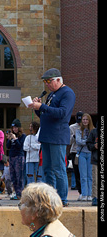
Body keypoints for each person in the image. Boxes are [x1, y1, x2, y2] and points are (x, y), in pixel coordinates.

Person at [28, 68, 76, 206]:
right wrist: (38, 109)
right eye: (45, 82)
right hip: (47, 136)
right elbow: (45, 116)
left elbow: (62, 113)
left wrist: (42, 106)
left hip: (57, 136)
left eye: (49, 81)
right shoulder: (51, 95)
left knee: (58, 169)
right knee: (47, 169)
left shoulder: (67, 93)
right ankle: (50, 199)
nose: (47, 84)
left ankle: (62, 200)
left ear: (59, 80)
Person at [75, 113, 94, 201]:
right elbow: (78, 141)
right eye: (83, 119)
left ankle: (90, 194)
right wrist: (88, 141)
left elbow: (93, 142)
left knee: (90, 175)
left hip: (90, 153)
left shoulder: (93, 130)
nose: (85, 121)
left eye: (87, 119)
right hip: (81, 153)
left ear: (89, 121)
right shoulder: (78, 130)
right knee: (83, 175)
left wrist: (87, 141)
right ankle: (84, 194)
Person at [6, 118, 26, 200]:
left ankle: (20, 193)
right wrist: (9, 139)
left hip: (19, 157)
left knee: (19, 176)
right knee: (13, 176)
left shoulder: (23, 136)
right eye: (13, 128)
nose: (14, 129)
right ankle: (16, 192)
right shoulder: (12, 135)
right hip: (12, 156)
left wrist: (15, 139)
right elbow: (7, 147)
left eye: (16, 128)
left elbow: (20, 146)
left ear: (19, 128)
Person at [69, 111, 84, 200]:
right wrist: (74, 137)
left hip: (84, 151)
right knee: (77, 172)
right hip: (75, 151)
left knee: (85, 173)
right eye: (78, 120)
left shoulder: (86, 126)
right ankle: (80, 192)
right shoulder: (72, 127)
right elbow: (69, 141)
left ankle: (86, 191)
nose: (79, 122)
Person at [86, 122, 98, 206]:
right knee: (95, 180)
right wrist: (94, 146)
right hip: (95, 159)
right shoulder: (94, 132)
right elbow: (88, 143)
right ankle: (95, 197)